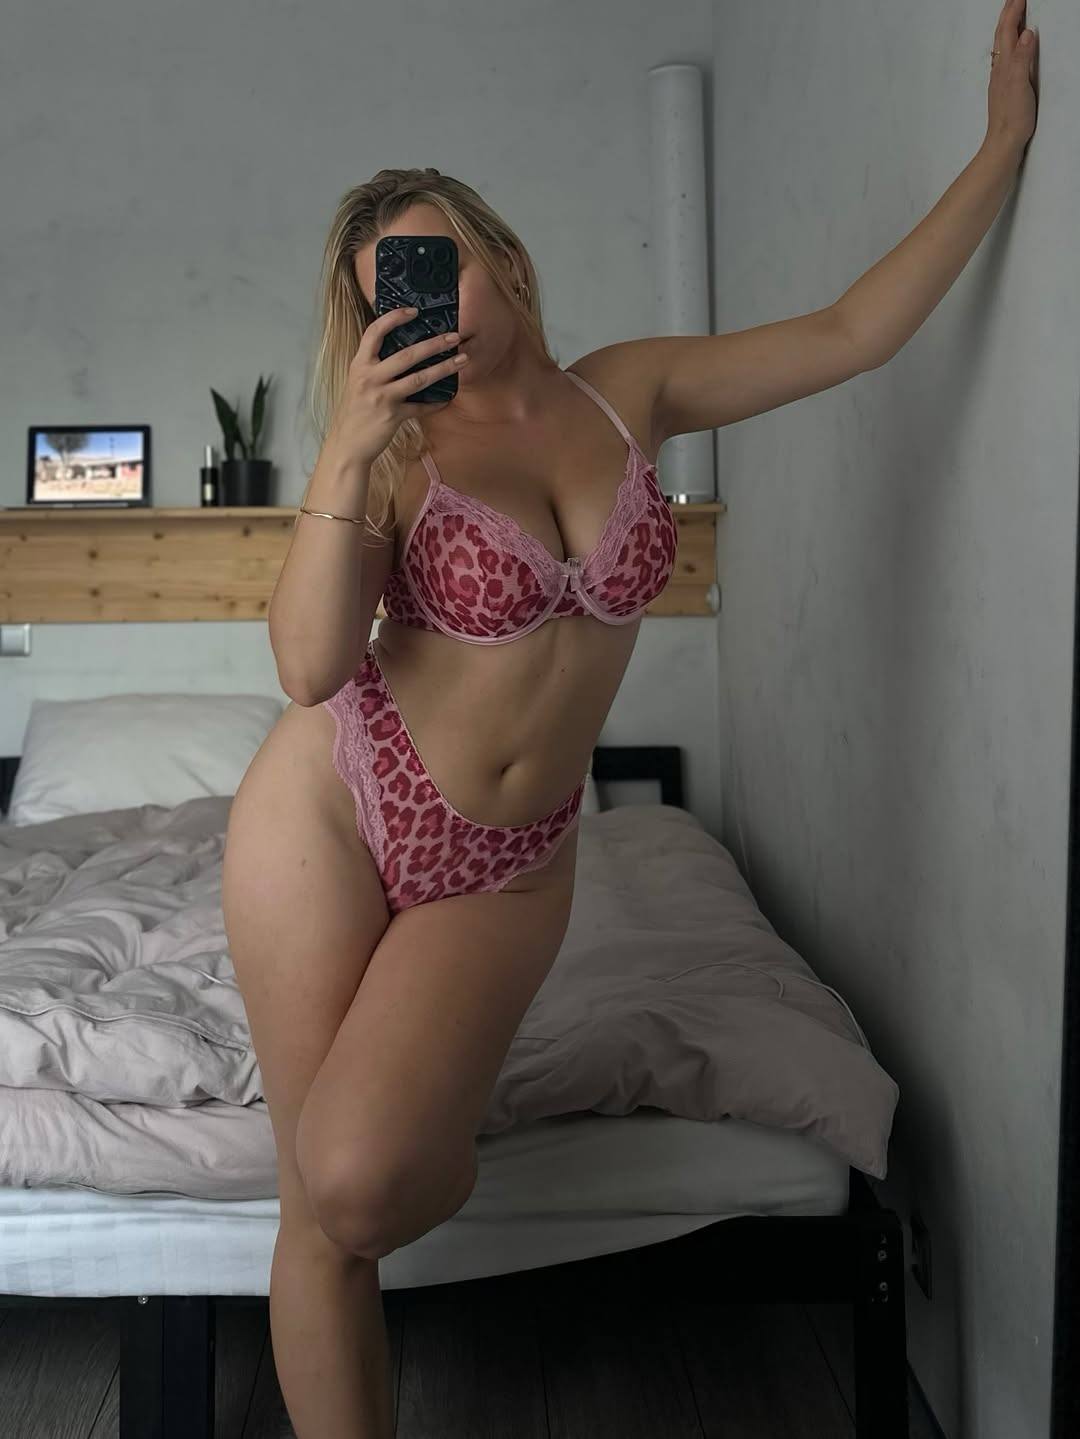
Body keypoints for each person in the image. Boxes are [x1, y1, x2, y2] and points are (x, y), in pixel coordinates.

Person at [220, 13, 1036, 1429]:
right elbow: (307, 667)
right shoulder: (396, 454)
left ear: (500, 252)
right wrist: (344, 452)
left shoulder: (630, 390)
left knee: (363, 1176)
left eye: (440, 264)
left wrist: (1003, 145)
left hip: (507, 865)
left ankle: (435, 1132)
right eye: (392, 296)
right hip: (334, 812)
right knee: (322, 1214)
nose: (427, 305)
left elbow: (853, 333)